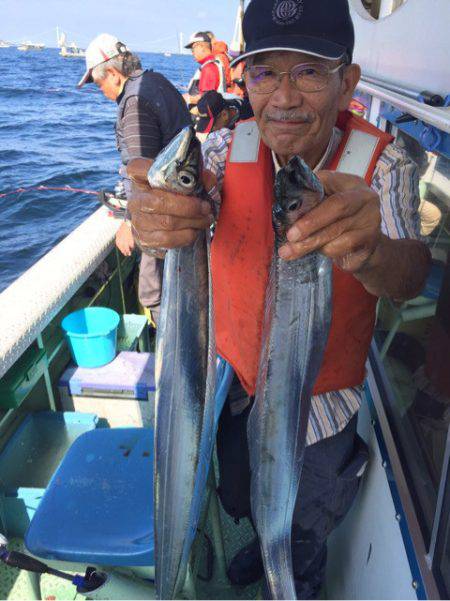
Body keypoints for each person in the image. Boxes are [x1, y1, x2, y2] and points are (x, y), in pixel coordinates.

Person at [127, 0, 431, 597]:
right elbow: (188, 200)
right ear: (245, 81)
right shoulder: (222, 148)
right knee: (240, 492)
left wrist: (372, 251)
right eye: (265, 72)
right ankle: (256, 556)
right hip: (234, 385)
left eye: (309, 71)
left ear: (347, 83)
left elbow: (412, 276)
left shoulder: (386, 162)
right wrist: (150, 215)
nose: (284, 98)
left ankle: (288, 575)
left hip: (319, 412)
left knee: (300, 531)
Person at [77, 33, 191, 325]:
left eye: (97, 82)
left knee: (153, 295)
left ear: (113, 74)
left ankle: (168, 352)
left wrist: (129, 222)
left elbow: (142, 171)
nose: (99, 90)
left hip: (162, 218)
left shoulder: (135, 101)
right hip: (184, 211)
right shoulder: (157, 82)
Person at [184, 31, 226, 107]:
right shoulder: (211, 64)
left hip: (207, 117)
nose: (192, 52)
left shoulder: (209, 68)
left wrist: (186, 98)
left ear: (202, 46)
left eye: (193, 49)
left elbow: (208, 99)